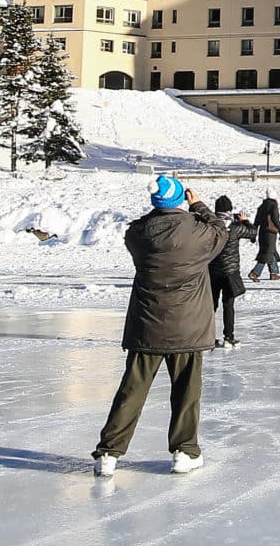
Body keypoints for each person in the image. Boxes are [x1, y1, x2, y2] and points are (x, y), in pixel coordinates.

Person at [92, 175, 227, 477]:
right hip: (188, 327)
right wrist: (199, 205)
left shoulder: (137, 234)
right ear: (180, 199)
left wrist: (161, 207)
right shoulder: (196, 232)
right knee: (186, 393)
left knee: (131, 391)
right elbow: (221, 231)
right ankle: (184, 450)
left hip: (147, 325)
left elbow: (141, 225)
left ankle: (108, 454)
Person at [204, 195, 252, 347]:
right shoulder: (236, 227)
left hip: (212, 271)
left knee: (211, 305)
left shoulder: (211, 225)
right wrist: (244, 220)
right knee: (228, 305)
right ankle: (228, 337)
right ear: (230, 210)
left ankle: (207, 337)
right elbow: (253, 233)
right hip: (230, 272)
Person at [250, 194, 280, 281]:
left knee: (270, 252)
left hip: (262, 233)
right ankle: (255, 273)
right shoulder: (273, 205)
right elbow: (275, 219)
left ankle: (274, 273)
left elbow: (256, 222)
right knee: (267, 253)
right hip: (270, 233)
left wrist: (253, 234)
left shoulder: (261, 207)